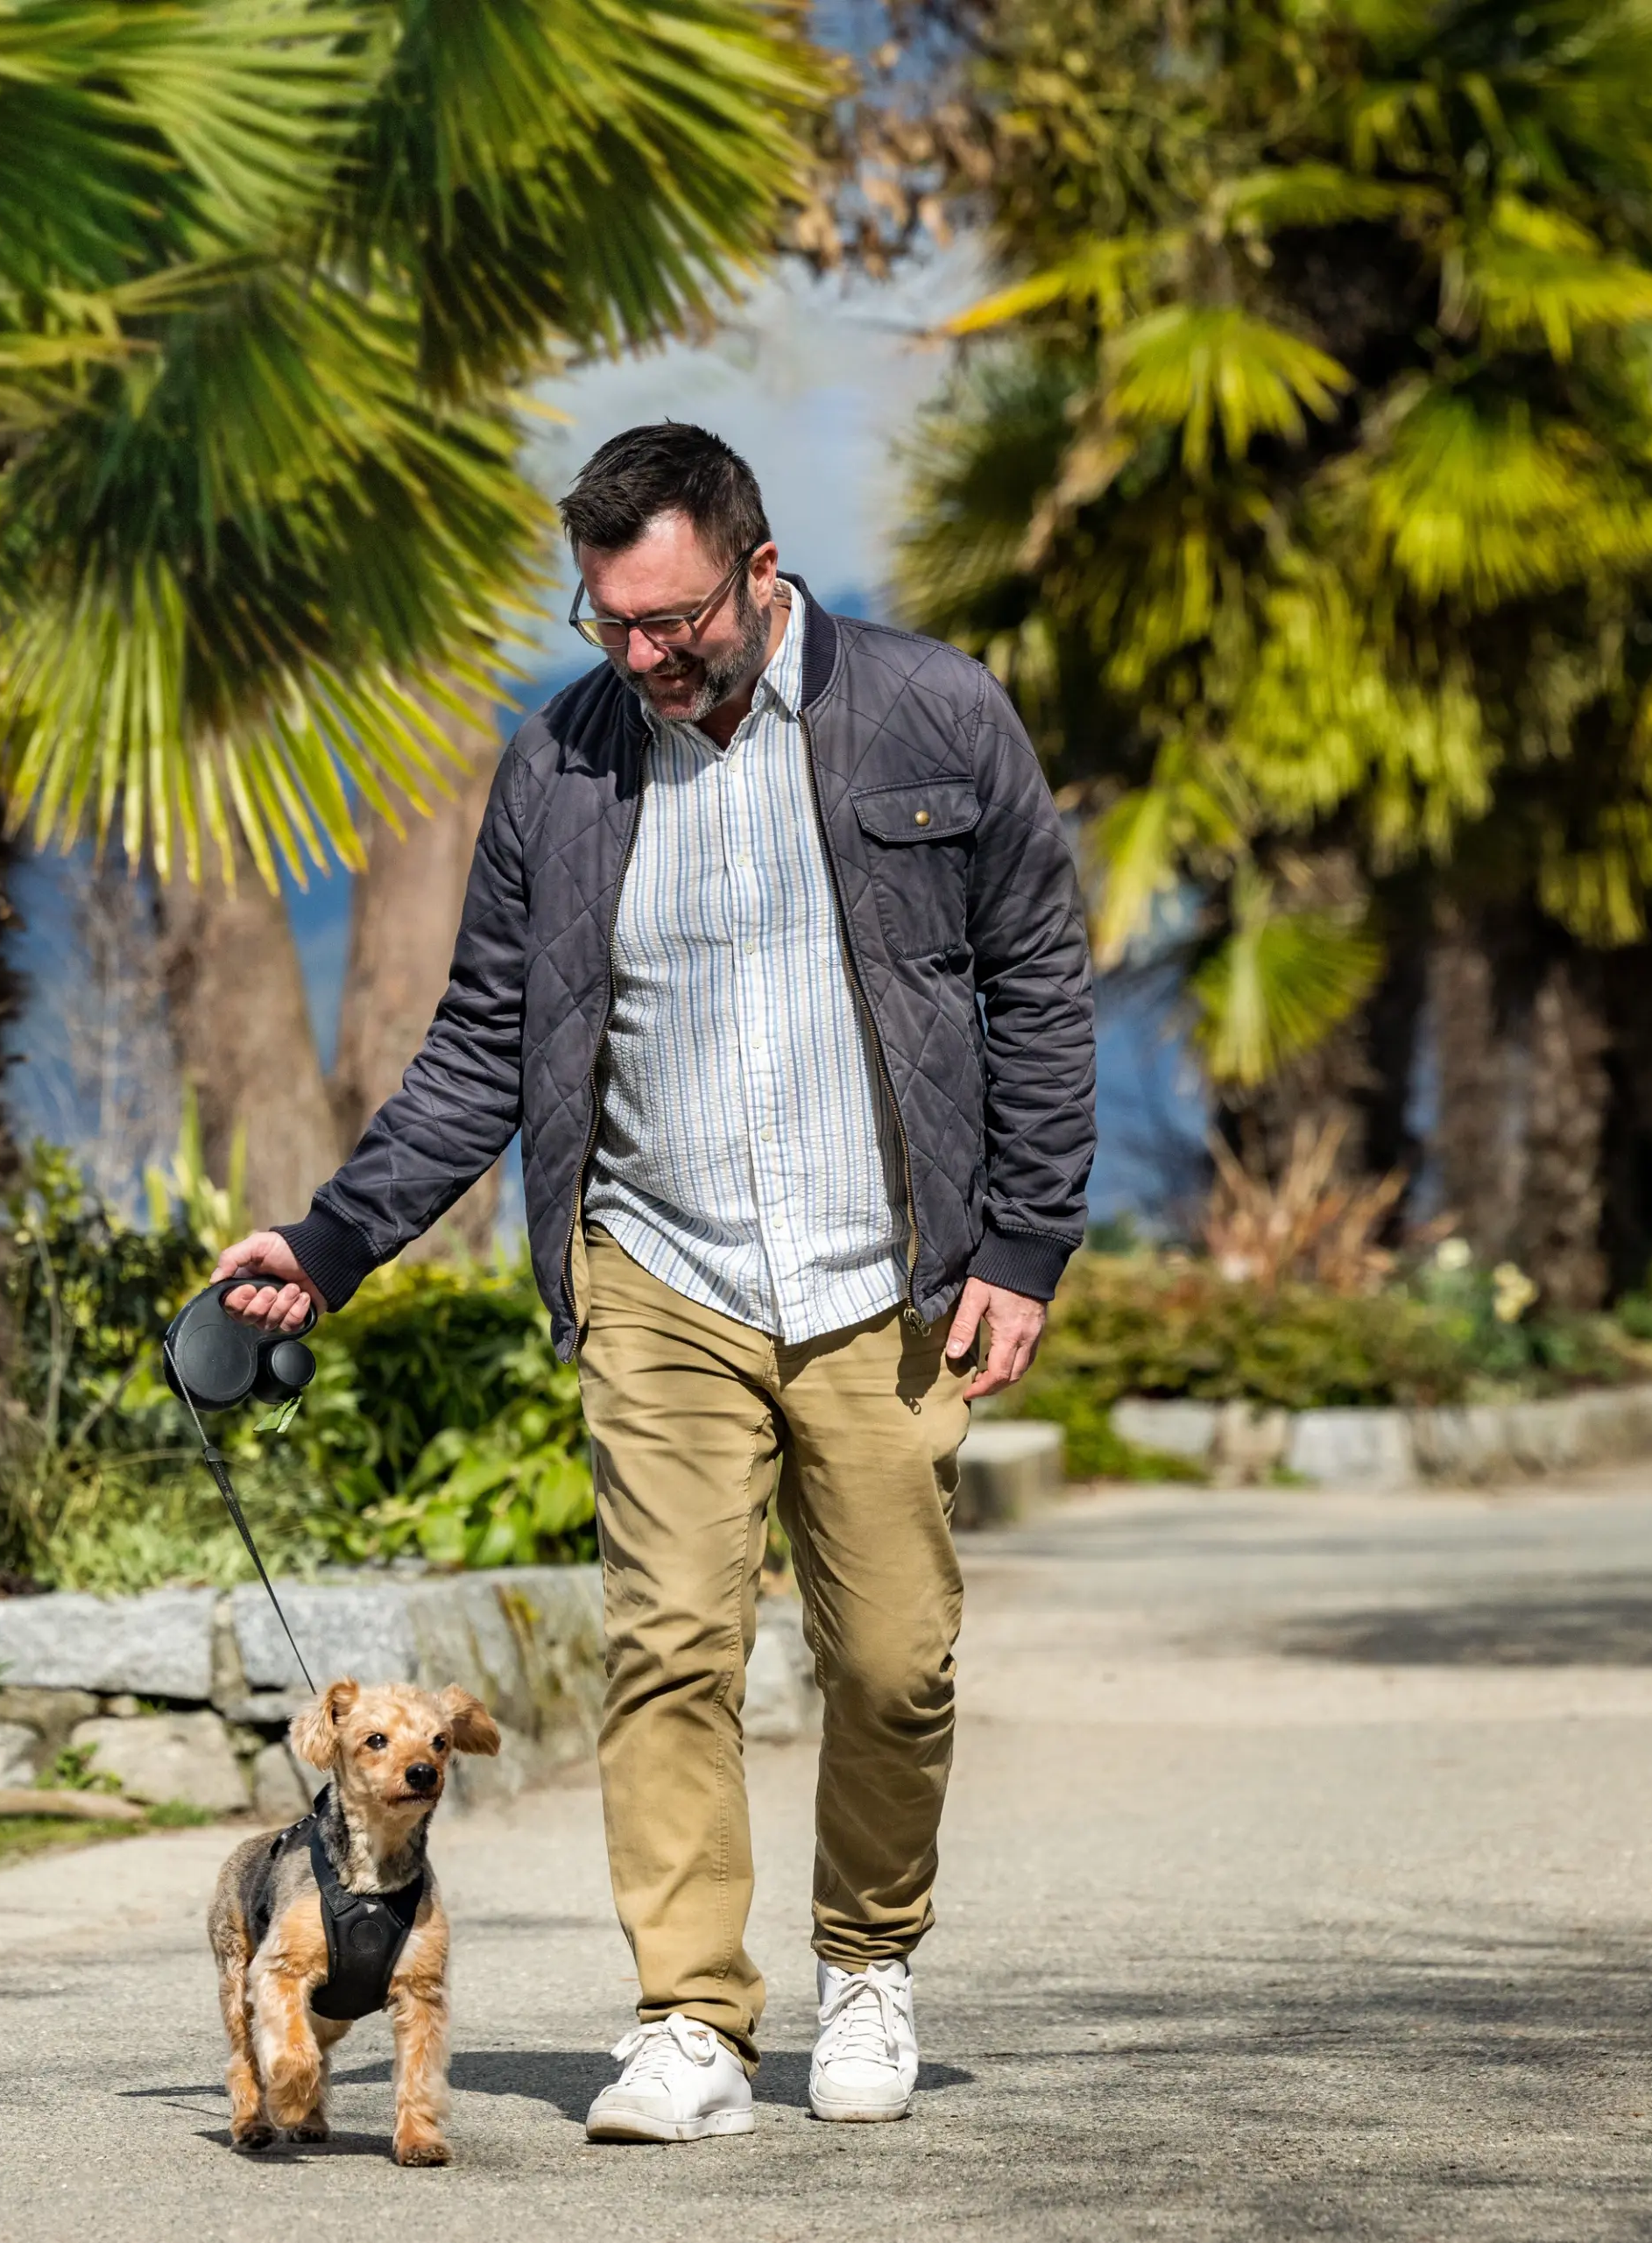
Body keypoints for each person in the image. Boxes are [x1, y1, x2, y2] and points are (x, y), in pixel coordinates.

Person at [210, 422, 1094, 2141]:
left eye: (672, 621)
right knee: (670, 1648)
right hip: (660, 1272)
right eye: (607, 622)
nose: (638, 657)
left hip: (884, 1275)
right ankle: (691, 2013)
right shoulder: (565, 765)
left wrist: (1030, 1239)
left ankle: (866, 1968)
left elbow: (1041, 978)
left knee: (895, 1660)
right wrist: (329, 1243)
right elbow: (483, 1036)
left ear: (760, 576)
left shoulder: (934, 712)